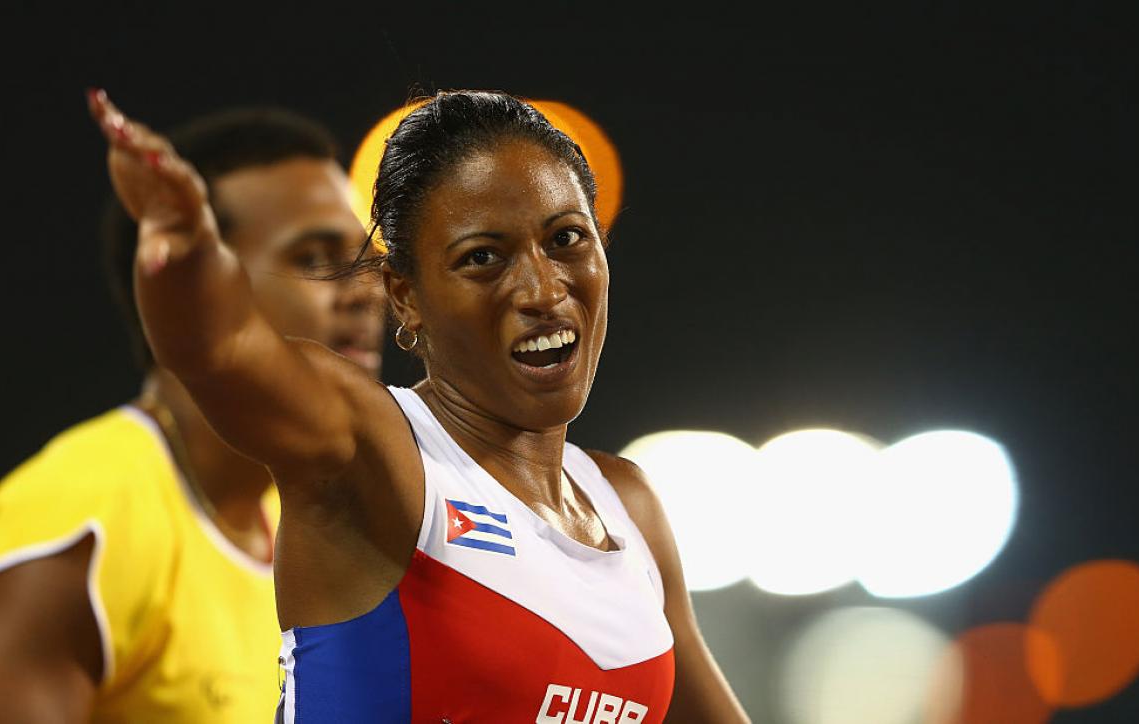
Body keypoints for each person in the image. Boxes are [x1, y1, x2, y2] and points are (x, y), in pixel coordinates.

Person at [84, 88, 749, 723]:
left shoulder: (627, 507)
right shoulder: (376, 451)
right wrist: (184, 243)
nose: (543, 290)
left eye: (567, 239)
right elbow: (221, 349)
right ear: (404, 297)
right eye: (483, 257)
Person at [0, 106, 386, 723]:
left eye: (364, 258)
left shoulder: (305, 516)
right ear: (195, 287)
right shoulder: (82, 513)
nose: (366, 289)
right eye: (315, 257)